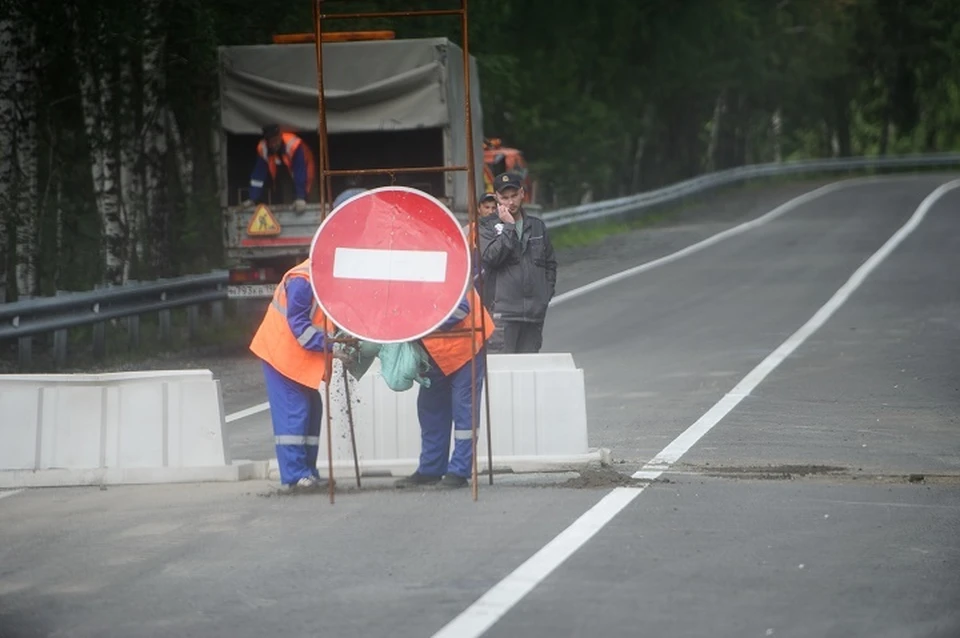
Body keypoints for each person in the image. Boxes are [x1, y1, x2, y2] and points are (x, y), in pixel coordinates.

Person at [249, 259, 338, 492]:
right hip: (283, 355)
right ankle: (296, 475)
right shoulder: (303, 280)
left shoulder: (325, 277)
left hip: (297, 357)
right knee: (294, 412)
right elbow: (300, 327)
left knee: (311, 410)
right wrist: (333, 346)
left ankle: (307, 472)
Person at [394, 287, 495, 489]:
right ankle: (431, 469)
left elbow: (460, 310)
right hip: (436, 350)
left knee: (463, 409)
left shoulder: (443, 272)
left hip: (466, 348)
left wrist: (418, 324)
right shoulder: (409, 276)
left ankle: (459, 470)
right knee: (430, 409)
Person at [479, 171, 557, 353]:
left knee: (528, 373)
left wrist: (545, 295)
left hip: (533, 314)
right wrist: (509, 227)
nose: (510, 202)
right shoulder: (486, 226)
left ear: (522, 193)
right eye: (504, 197)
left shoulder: (537, 226)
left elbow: (550, 264)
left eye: (514, 196)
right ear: (497, 198)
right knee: (503, 371)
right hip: (502, 314)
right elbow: (492, 257)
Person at [243, 125, 316, 213]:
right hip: (286, 169)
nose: (274, 144)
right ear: (267, 141)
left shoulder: (293, 145)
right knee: (287, 194)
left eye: (275, 140)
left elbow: (300, 171)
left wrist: (301, 197)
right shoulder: (263, 148)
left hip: (305, 165)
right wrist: (252, 198)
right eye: (271, 142)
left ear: (280, 137)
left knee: (310, 191)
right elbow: (258, 175)